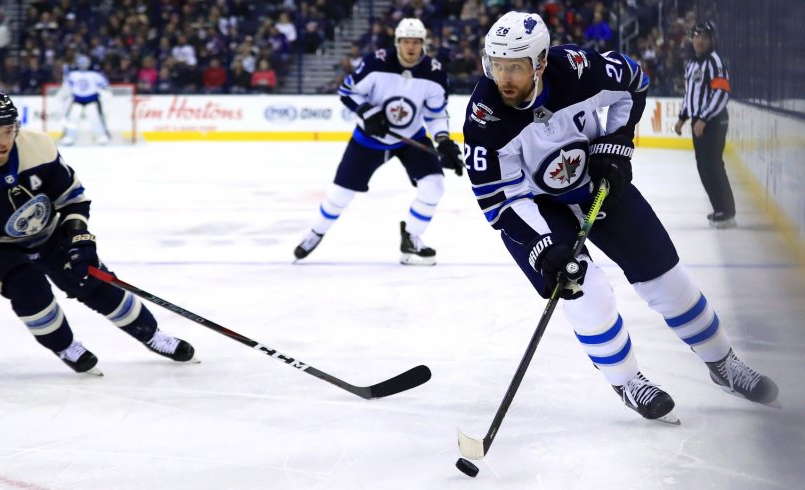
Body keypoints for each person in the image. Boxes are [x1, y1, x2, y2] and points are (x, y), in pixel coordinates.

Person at [462, 12, 778, 422]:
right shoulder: (485, 116)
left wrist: (616, 142)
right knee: (586, 290)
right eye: (496, 65)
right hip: (536, 209)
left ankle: (723, 363)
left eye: (515, 67)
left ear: (540, 62)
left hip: (595, 182)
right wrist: (544, 248)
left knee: (666, 277)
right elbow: (497, 199)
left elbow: (634, 81)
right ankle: (628, 381)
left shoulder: (576, 70)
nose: (503, 78)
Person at [0, 91, 196, 375]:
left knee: (93, 282)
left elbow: (72, 197)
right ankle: (65, 346)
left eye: (9, 130)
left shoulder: (39, 147)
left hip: (48, 231)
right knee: (28, 288)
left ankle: (152, 335)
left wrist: (77, 236)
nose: (4, 140)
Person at [293, 18, 465, 266]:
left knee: (434, 185)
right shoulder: (376, 63)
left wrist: (443, 140)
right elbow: (347, 92)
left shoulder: (435, 73)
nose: (411, 47)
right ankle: (316, 232)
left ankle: (412, 238)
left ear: (423, 45)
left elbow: (436, 114)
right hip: (368, 140)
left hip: (410, 138)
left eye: (416, 42)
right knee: (340, 194)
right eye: (406, 41)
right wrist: (367, 112)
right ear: (397, 43)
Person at [673, 21, 735, 228]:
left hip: (713, 122)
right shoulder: (692, 64)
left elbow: (722, 92)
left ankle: (726, 211)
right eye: (696, 36)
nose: (700, 40)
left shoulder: (715, 61)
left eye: (704, 37)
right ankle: (720, 209)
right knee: (704, 167)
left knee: (713, 165)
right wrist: (683, 117)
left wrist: (704, 118)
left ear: (711, 40)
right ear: (691, 39)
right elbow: (690, 95)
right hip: (700, 123)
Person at [59, 54, 112, 146]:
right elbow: (67, 86)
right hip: (77, 99)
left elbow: (105, 85)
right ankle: (69, 137)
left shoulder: (94, 75)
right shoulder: (73, 75)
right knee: (72, 119)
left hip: (92, 99)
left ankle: (101, 137)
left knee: (95, 119)